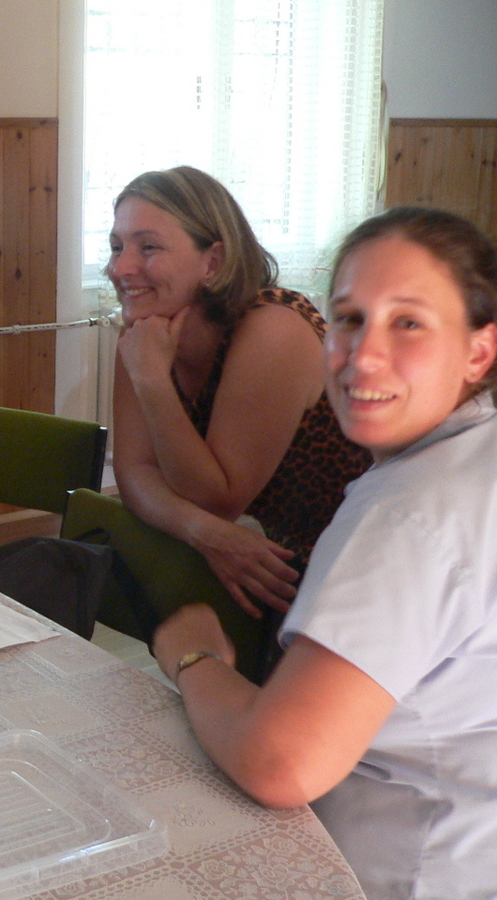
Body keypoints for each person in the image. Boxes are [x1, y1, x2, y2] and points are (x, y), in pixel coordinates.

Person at [153, 206, 497, 899]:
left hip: (402, 871)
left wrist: (194, 658)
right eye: (348, 318)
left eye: (408, 323)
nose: (363, 355)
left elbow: (281, 762)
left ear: (477, 352)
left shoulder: (409, 514)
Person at [108, 166, 371, 624]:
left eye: (148, 247)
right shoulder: (142, 337)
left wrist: (151, 381)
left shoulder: (272, 327)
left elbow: (219, 498)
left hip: (370, 559)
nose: (120, 268)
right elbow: (134, 474)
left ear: (213, 262)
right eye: (117, 247)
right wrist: (205, 533)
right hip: (289, 559)